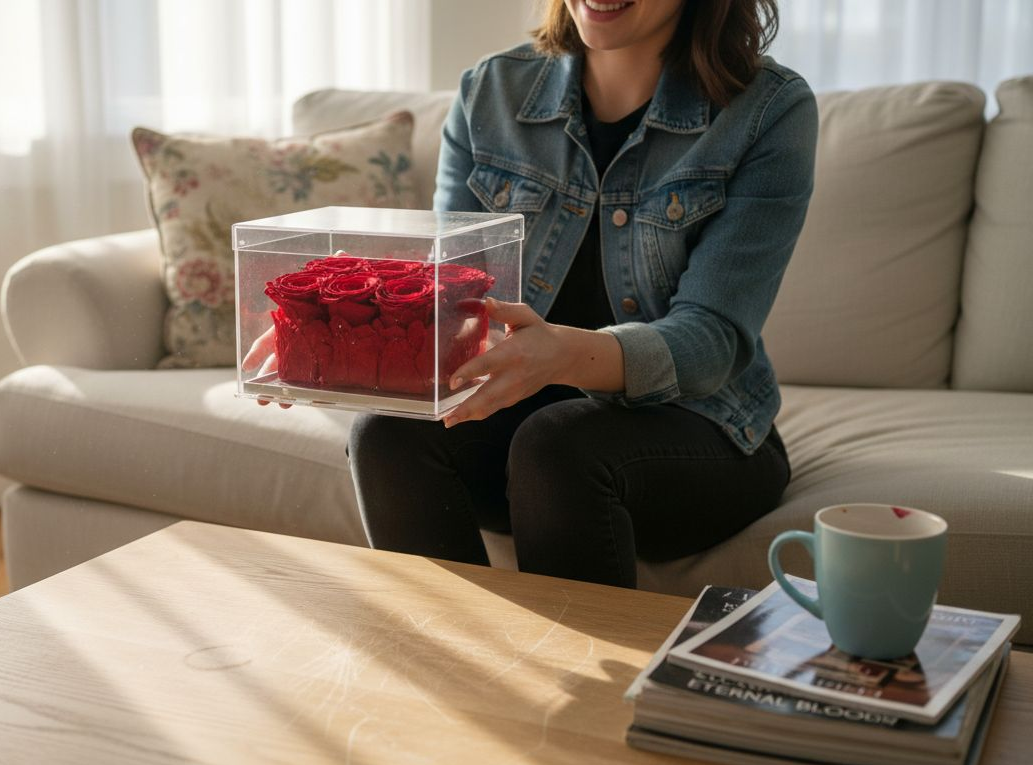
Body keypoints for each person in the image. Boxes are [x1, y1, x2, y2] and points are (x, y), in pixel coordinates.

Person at [345, 0, 817, 588]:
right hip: (524, 431)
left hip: (702, 429)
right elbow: (447, 295)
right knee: (386, 430)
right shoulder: (490, 91)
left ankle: (581, 679)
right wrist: (335, 339)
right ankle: (451, 664)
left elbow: (713, 339)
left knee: (557, 445)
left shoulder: (768, 109)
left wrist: (565, 356)